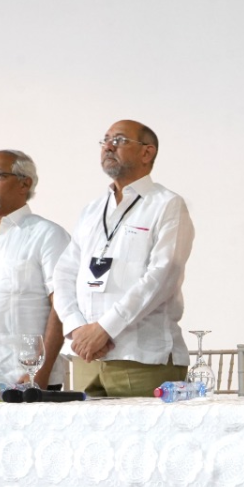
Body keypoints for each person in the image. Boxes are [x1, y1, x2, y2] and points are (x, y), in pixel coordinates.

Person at [53, 120, 194, 397]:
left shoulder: (167, 205)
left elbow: (162, 277)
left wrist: (105, 329)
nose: (108, 146)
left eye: (118, 140)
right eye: (105, 140)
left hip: (141, 357)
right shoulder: (92, 210)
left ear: (147, 152)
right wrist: (77, 328)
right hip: (87, 358)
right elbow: (64, 272)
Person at [0, 150, 71, 390]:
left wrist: (40, 372)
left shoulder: (47, 235)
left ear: (24, 184)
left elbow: (61, 306)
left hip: (27, 381)